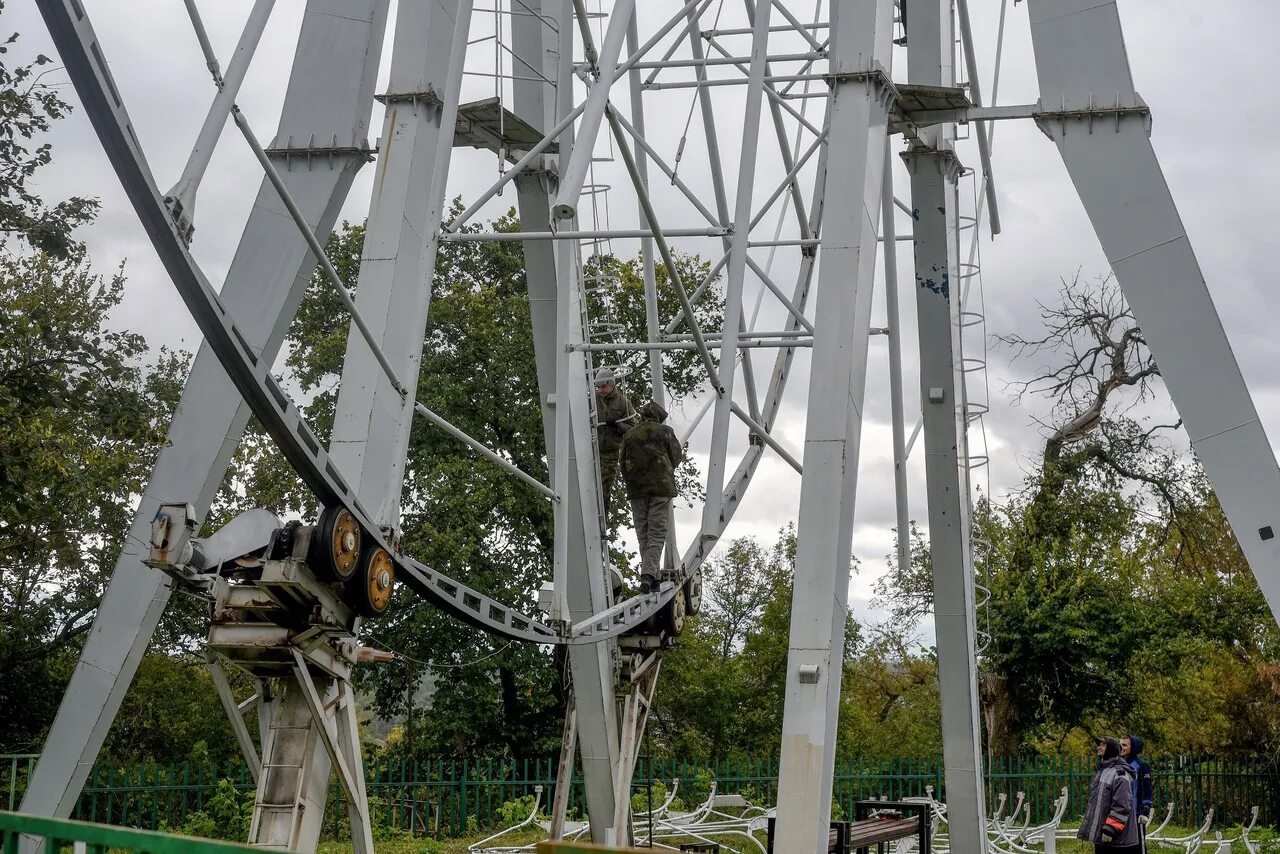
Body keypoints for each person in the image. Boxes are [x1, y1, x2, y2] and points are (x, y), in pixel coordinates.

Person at [618, 400, 682, 593]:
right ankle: (648, 575)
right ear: (658, 417)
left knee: (643, 533)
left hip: (636, 490)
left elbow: (622, 463)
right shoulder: (665, 432)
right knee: (656, 532)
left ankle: (650, 576)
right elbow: (676, 457)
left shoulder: (629, 435)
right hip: (660, 488)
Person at [1078, 737, 1140, 853]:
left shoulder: (1119, 773)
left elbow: (1122, 805)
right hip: (1104, 837)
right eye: (1099, 744)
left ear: (1111, 749)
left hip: (1117, 840)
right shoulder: (1104, 771)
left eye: (1103, 745)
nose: (1099, 747)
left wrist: (1111, 829)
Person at [594, 367, 636, 514]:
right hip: (589, 449)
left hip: (609, 452)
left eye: (603, 387)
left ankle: (603, 521)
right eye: (598, 387)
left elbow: (633, 429)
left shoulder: (623, 403)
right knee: (586, 486)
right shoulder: (591, 400)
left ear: (612, 385)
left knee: (604, 487)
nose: (600, 390)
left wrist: (618, 425)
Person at [1121, 735, 1155, 837]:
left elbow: (1147, 788)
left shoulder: (1141, 765)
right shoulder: (1118, 763)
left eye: (1124, 745)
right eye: (1120, 744)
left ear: (1134, 747)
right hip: (1120, 812)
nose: (1121, 747)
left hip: (1135, 813)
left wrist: (1145, 810)